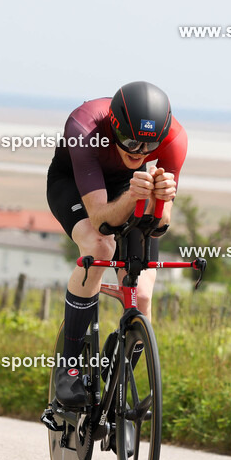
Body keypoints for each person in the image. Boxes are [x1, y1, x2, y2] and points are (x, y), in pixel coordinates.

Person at [46, 81, 187, 407]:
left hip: (131, 186)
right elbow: (102, 221)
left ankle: (117, 379)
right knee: (100, 247)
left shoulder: (175, 139)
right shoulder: (84, 125)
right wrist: (136, 195)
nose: (137, 152)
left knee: (144, 293)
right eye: (129, 142)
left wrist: (161, 201)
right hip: (74, 183)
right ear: (114, 125)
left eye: (146, 147)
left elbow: (159, 227)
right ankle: (68, 368)